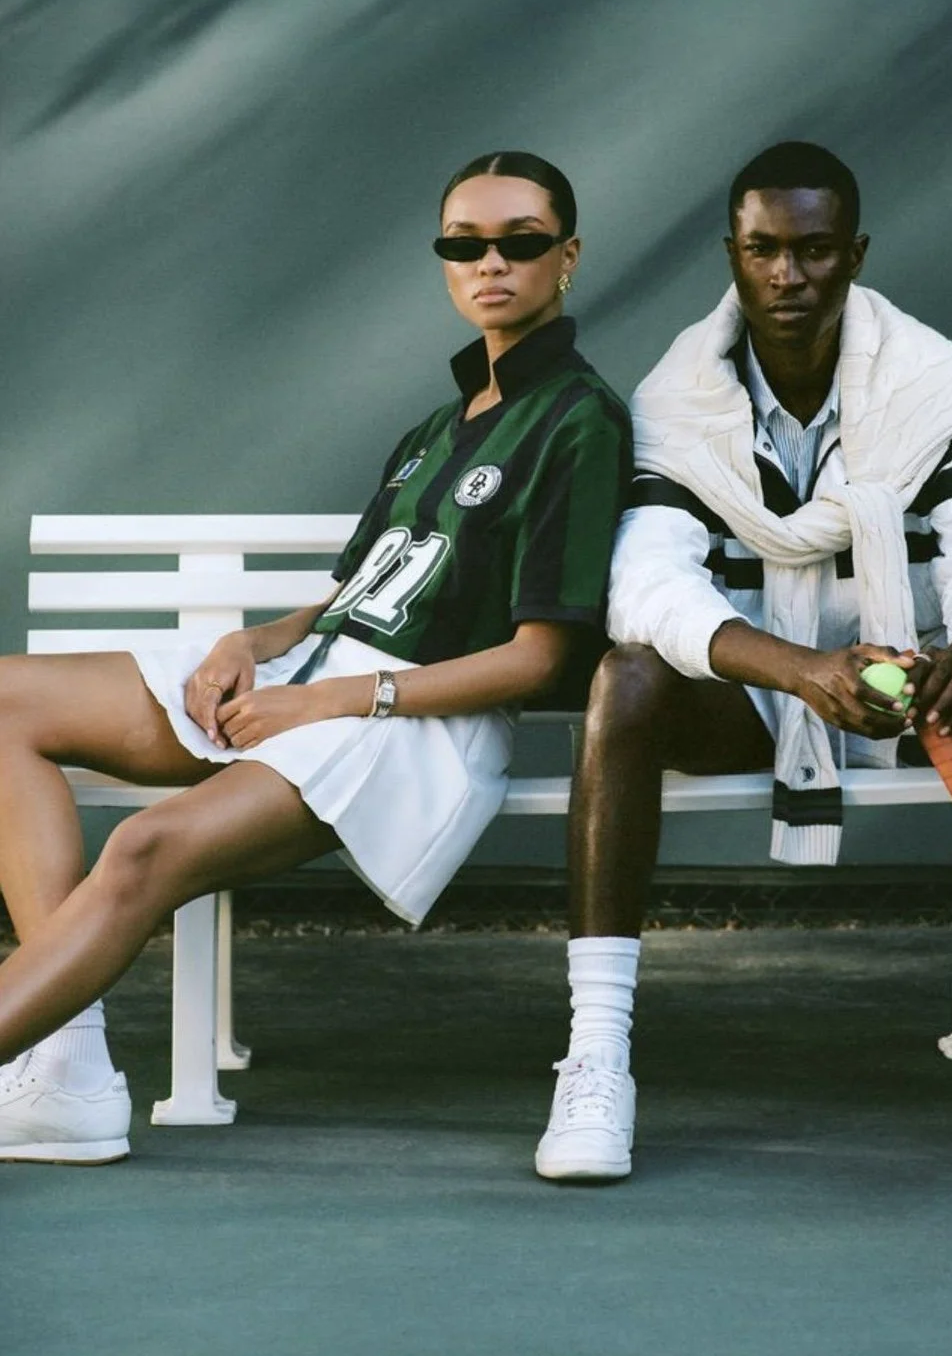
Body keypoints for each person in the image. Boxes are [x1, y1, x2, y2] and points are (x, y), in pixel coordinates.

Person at [534, 140, 952, 1183]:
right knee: (627, 676)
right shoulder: (676, 399)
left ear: (856, 253)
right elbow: (646, 589)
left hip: (922, 698)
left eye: (816, 250)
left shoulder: (937, 384)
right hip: (757, 695)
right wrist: (800, 672)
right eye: (765, 250)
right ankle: (596, 1054)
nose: (790, 276)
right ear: (732, 256)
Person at [0, 150, 631, 1164]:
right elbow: (349, 596)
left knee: (144, 850)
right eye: (464, 244)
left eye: (521, 241)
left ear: (568, 257)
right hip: (318, 686)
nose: (491, 263)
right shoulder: (435, 427)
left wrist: (338, 700)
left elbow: (540, 661)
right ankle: (66, 1068)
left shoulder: (580, 421)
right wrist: (247, 644)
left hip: (412, 726)